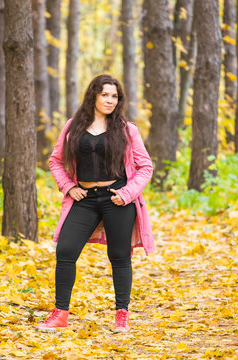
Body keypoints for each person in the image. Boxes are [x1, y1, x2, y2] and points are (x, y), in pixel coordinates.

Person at [37, 74, 154, 333]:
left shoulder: (126, 129)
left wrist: (127, 194)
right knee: (65, 251)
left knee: (120, 256)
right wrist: (69, 187)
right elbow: (55, 161)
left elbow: (145, 167)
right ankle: (60, 314)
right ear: (94, 96)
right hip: (85, 199)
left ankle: (121, 315)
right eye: (105, 95)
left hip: (118, 200)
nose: (110, 100)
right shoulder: (72, 127)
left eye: (114, 96)